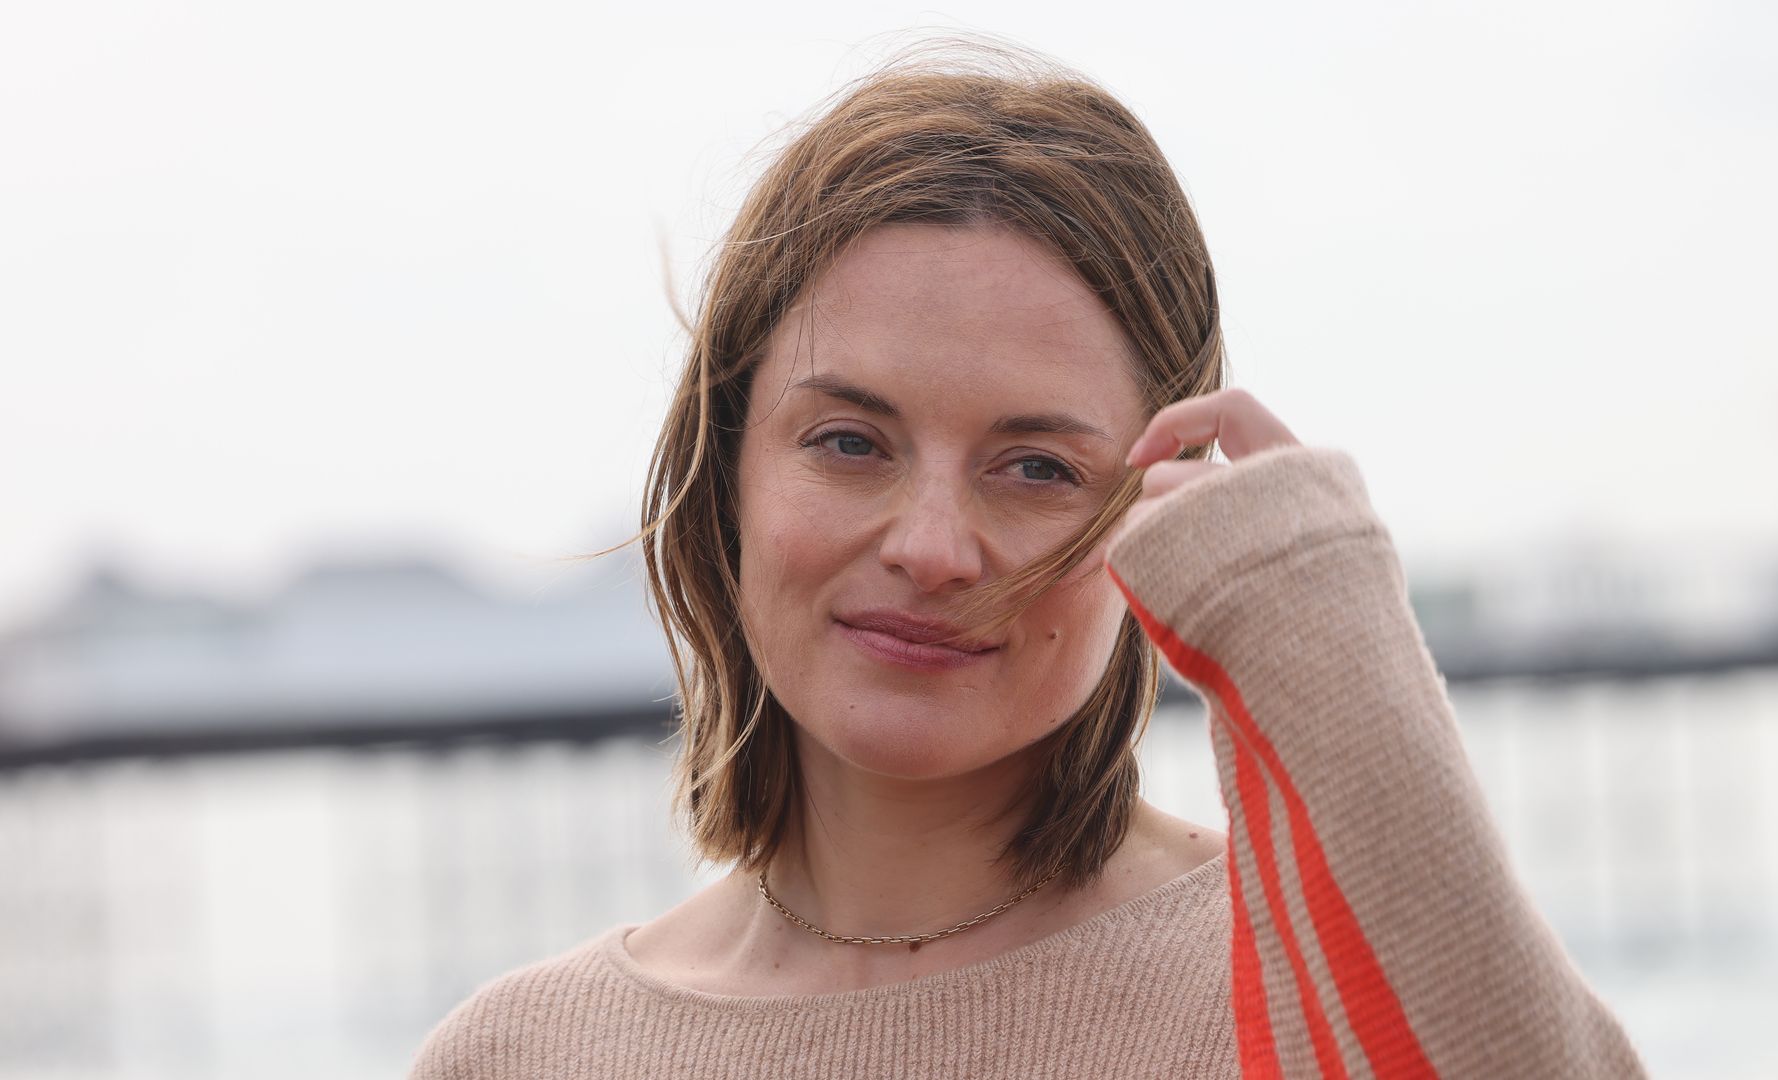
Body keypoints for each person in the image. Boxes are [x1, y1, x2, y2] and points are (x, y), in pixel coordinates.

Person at [408, 34, 1647, 1079]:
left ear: (1154, 509)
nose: (935, 547)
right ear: (727, 470)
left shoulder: (1300, 987)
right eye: (848, 441)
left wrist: (1319, 613)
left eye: (1039, 468)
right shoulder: (523, 1054)